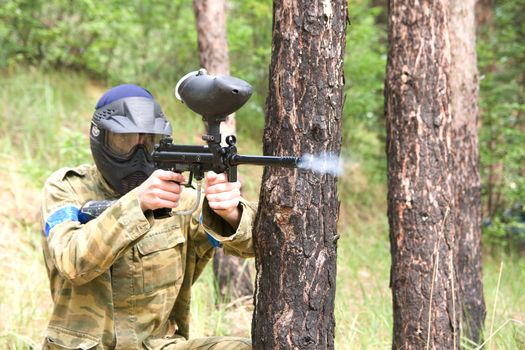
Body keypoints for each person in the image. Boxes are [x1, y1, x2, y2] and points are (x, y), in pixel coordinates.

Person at [40, 84, 256, 349]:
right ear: (101, 138)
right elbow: (72, 262)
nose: (139, 154)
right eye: (125, 141)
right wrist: (137, 204)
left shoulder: (182, 200)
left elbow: (259, 245)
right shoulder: (67, 188)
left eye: (149, 142)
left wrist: (231, 213)